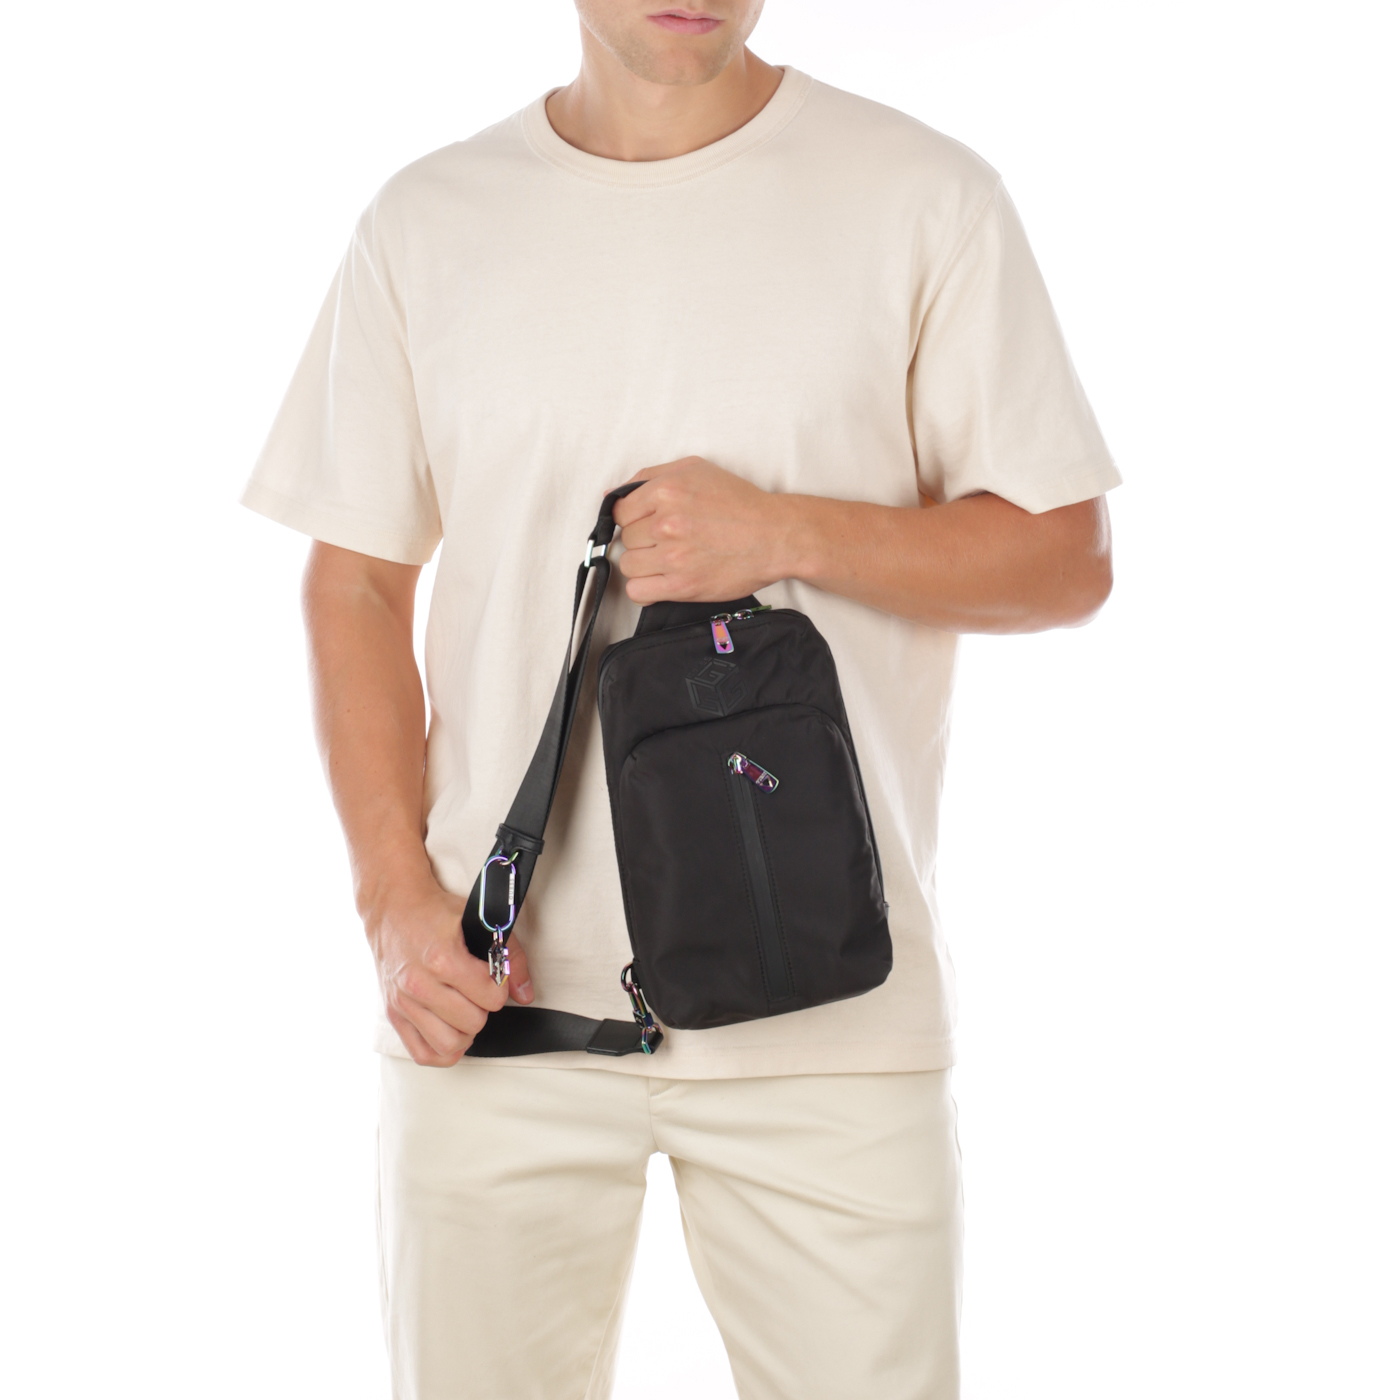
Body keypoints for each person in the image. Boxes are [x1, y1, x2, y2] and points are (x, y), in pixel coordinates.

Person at [243, 2, 1119, 1395]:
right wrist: (393, 904)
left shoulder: (923, 197)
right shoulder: (428, 223)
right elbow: (353, 580)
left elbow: (1065, 557)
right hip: (494, 1005)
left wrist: (788, 530)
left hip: (829, 1010)